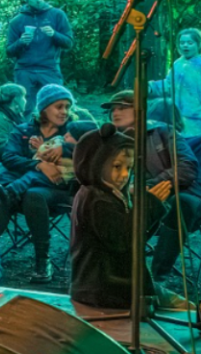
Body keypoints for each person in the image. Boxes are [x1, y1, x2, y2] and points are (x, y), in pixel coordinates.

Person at [69, 125, 188, 312]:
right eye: (117, 166)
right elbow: (123, 240)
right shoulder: (97, 200)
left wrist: (153, 208)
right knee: (183, 308)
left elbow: (136, 239)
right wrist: (149, 207)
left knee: (184, 305)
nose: (125, 174)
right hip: (103, 286)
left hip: (116, 280)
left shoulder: (112, 193)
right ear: (95, 163)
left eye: (129, 168)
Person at [0, 84, 91, 284]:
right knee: (8, 197)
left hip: (62, 189)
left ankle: (42, 260)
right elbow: (8, 157)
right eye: (59, 106)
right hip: (27, 187)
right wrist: (38, 165)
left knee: (28, 194)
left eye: (67, 107)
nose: (65, 112)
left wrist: (65, 149)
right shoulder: (24, 130)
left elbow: (95, 151)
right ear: (44, 108)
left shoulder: (75, 131)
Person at [101, 90, 201, 280]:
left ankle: (157, 278)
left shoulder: (162, 132)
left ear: (140, 110)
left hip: (180, 196)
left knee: (181, 204)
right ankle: (111, 272)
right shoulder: (110, 142)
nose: (115, 112)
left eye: (122, 108)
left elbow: (186, 168)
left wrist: (148, 186)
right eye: (112, 109)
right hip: (136, 201)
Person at [149, 27, 201, 180]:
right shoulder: (178, 64)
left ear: (198, 44)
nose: (185, 46)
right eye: (182, 43)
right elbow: (168, 85)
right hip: (181, 123)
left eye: (190, 43)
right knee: (184, 160)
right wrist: (150, 87)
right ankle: (187, 191)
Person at [4, 0, 73, 105]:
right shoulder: (17, 21)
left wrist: (54, 34)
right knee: (24, 108)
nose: (39, 0)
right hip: (24, 70)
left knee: (57, 104)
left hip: (49, 68)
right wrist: (21, 42)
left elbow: (68, 43)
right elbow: (9, 51)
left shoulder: (57, 15)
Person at [0, 83, 30, 166]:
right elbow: (1, 148)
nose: (26, 101)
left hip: (19, 160)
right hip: (4, 165)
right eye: (24, 97)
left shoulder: (18, 118)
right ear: (16, 100)